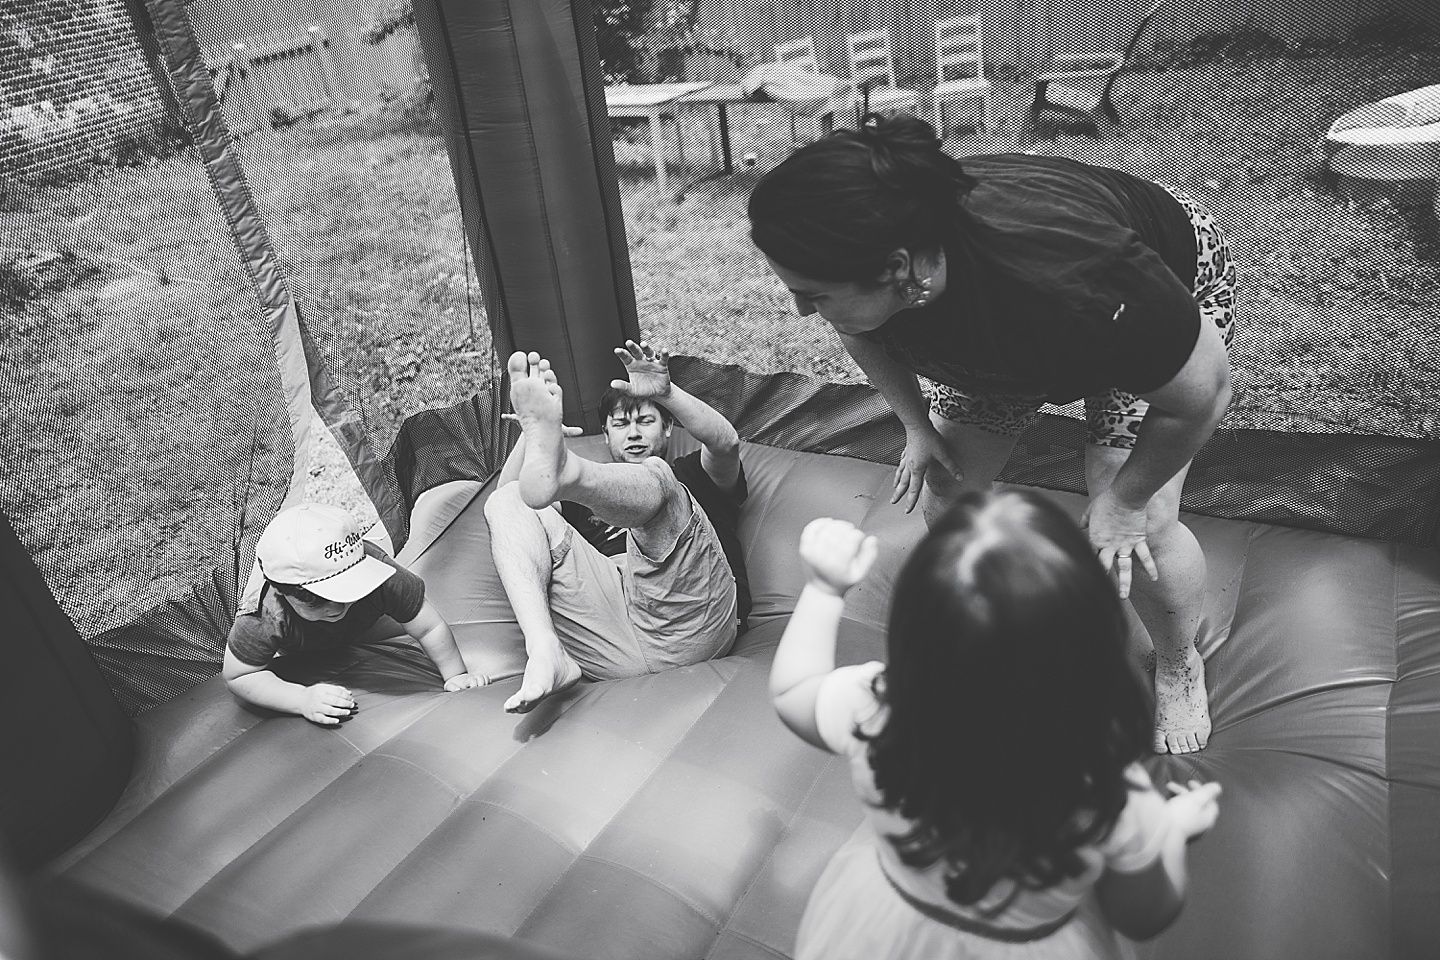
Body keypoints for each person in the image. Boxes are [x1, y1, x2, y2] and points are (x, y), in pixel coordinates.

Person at [748, 113, 1237, 755]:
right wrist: (917, 427)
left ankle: (1177, 661)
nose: (802, 310)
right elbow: (858, 329)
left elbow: (1201, 397)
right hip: (1003, 338)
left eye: (812, 294)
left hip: (1142, 299)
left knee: (1140, 526)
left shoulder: (1075, 277)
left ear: (898, 269)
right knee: (948, 492)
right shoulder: (888, 273)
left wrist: (1125, 501)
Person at [770, 491, 1222, 960]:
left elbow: (794, 692)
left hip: (879, 934)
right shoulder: (1111, 792)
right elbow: (1142, 915)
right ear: (1092, 646)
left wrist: (823, 590)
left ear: (914, 630)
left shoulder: (876, 709)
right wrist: (1169, 830)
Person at [485, 341, 749, 714]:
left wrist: (668, 393)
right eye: (621, 424)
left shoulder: (695, 473)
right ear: (606, 435)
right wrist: (533, 437)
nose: (634, 433)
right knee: (506, 501)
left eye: (645, 420)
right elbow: (513, 507)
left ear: (669, 427)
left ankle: (572, 471)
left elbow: (726, 444)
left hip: (690, 626)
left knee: (659, 478)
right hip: (606, 637)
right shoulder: (576, 507)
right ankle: (544, 650)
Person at [223, 502, 479, 725]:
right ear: (283, 594)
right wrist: (301, 699)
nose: (337, 607)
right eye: (317, 602)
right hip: (298, 648)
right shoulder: (265, 614)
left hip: (364, 626)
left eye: (349, 590)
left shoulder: (379, 572)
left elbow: (427, 626)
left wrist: (456, 675)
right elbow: (239, 674)